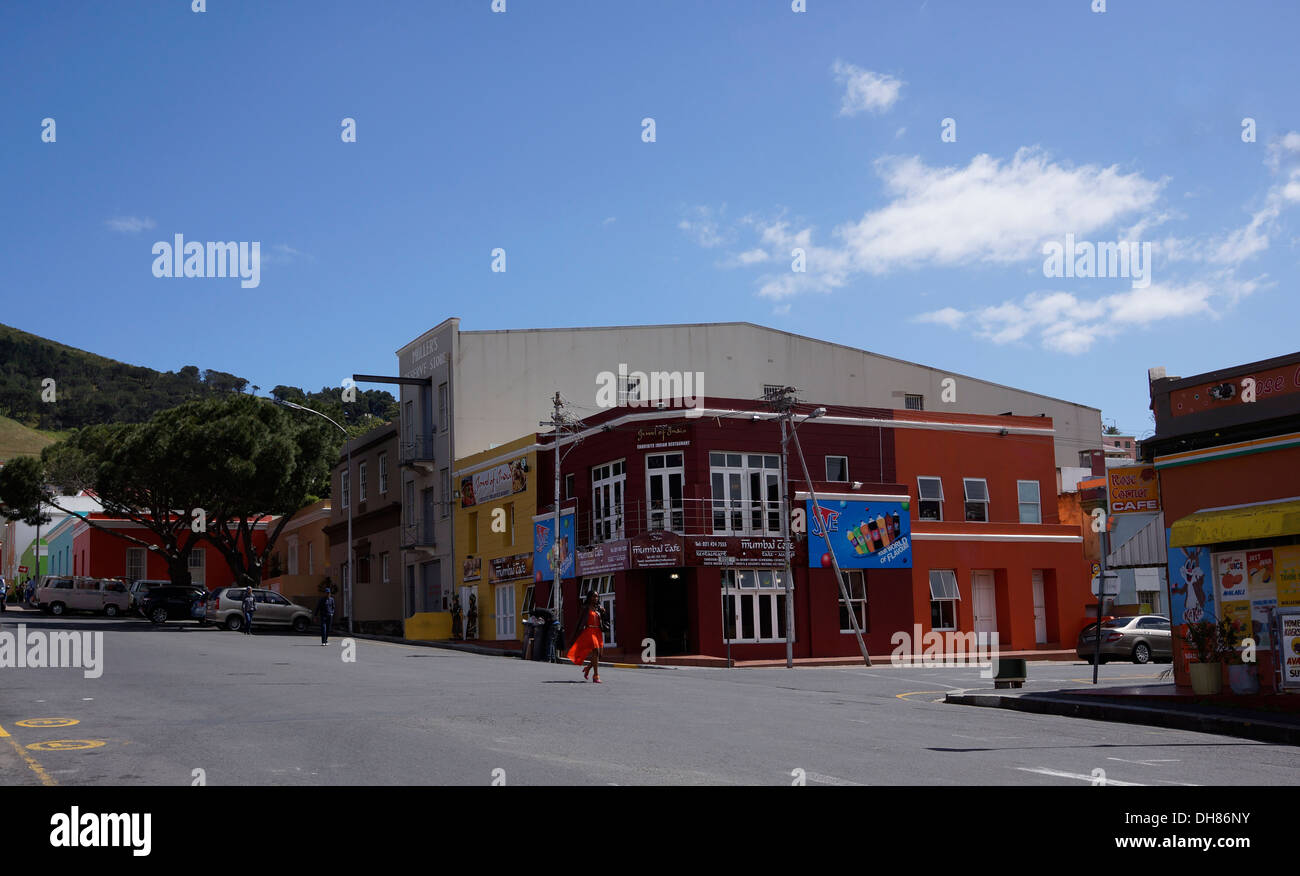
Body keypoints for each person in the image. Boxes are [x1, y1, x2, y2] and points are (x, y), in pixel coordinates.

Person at [565, 591, 606, 683]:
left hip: (598, 632)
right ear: (589, 597)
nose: (596, 598)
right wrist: (575, 634)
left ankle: (587, 668)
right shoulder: (585, 608)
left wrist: (603, 612)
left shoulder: (598, 608)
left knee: (599, 655)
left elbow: (602, 621)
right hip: (589, 631)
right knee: (595, 651)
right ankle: (596, 676)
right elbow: (579, 621)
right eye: (594, 596)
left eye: (597, 597)